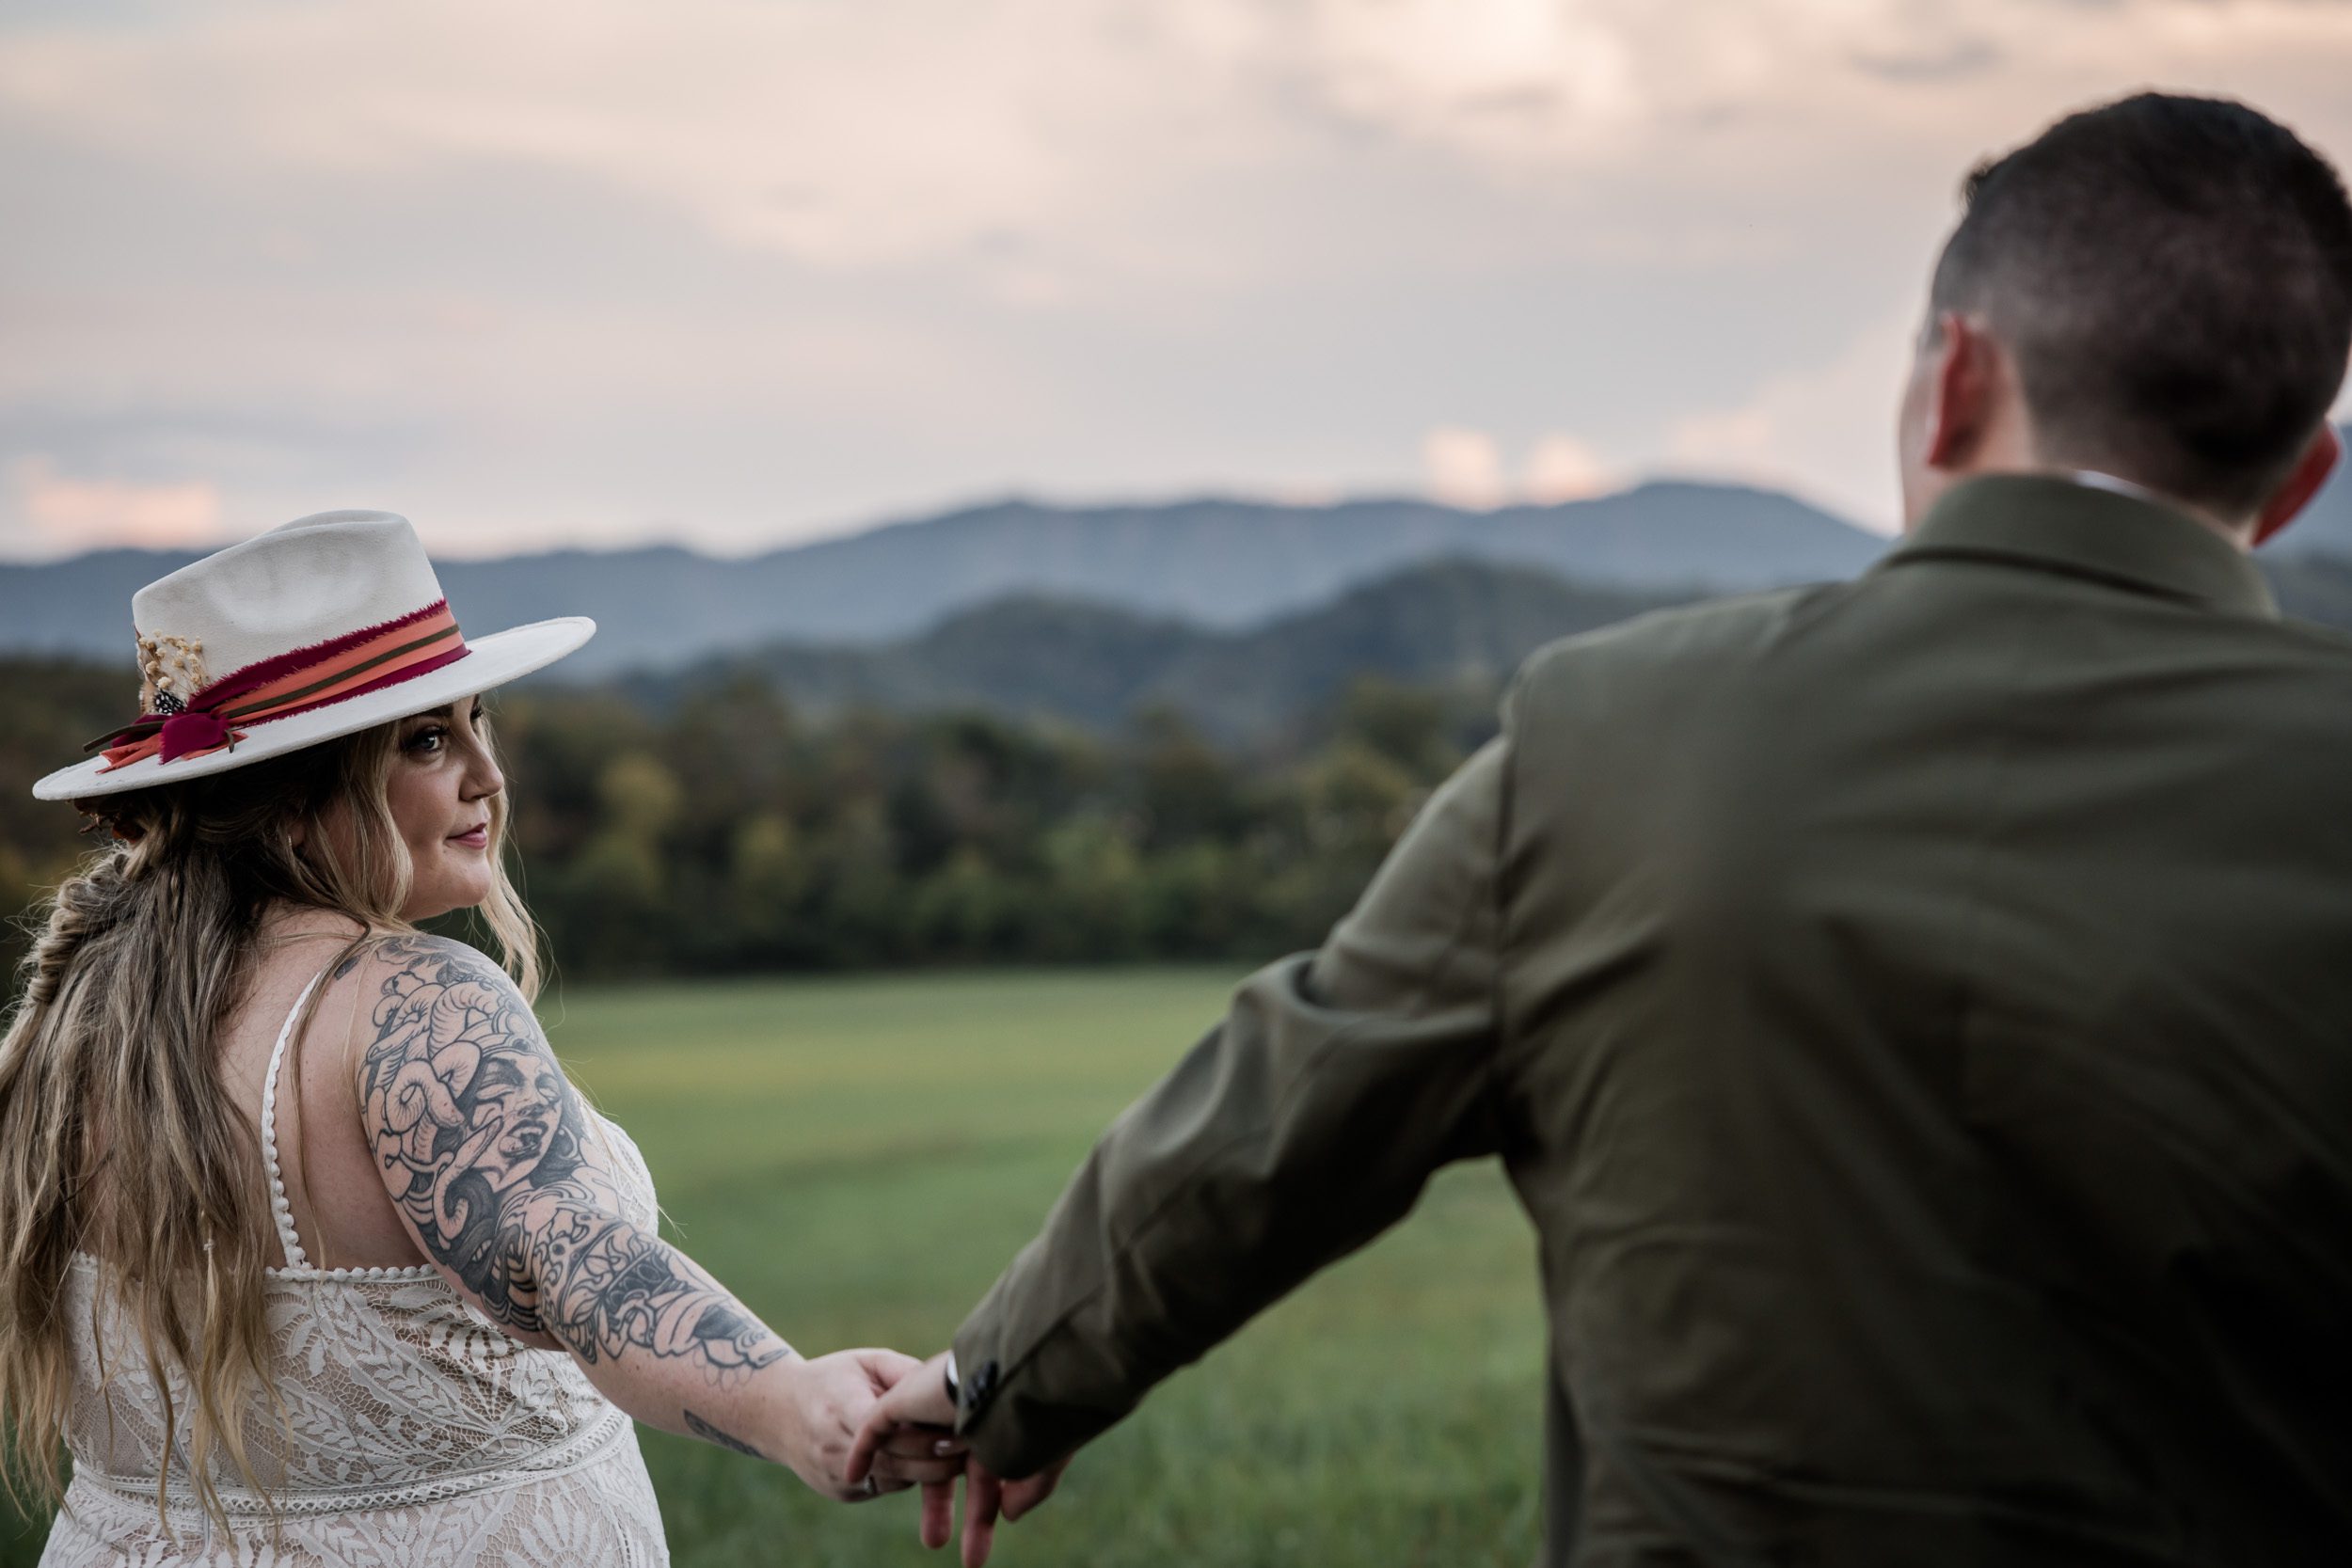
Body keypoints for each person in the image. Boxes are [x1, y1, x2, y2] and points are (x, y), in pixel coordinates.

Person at [851, 91, 2352, 1566]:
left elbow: (1272, 1119)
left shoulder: (1611, 732)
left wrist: (1002, 1378)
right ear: (2302, 480)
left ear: (1953, 378)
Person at [1, 512, 961, 1564]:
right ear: (291, 800)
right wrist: (791, 1399)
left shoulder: (74, 1022)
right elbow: (574, 1257)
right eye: (424, 740)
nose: (484, 774)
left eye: (473, 721)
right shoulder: (410, 1001)